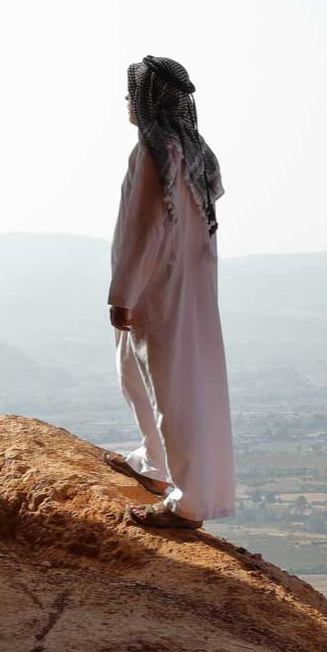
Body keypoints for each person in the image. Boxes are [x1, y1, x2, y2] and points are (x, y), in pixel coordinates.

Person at [102, 55, 236, 528]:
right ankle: (156, 466)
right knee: (138, 375)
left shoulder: (153, 152)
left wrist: (124, 291)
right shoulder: (195, 152)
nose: (126, 101)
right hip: (186, 287)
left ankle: (188, 503)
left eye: (131, 93)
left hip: (158, 286)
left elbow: (143, 229)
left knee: (168, 387)